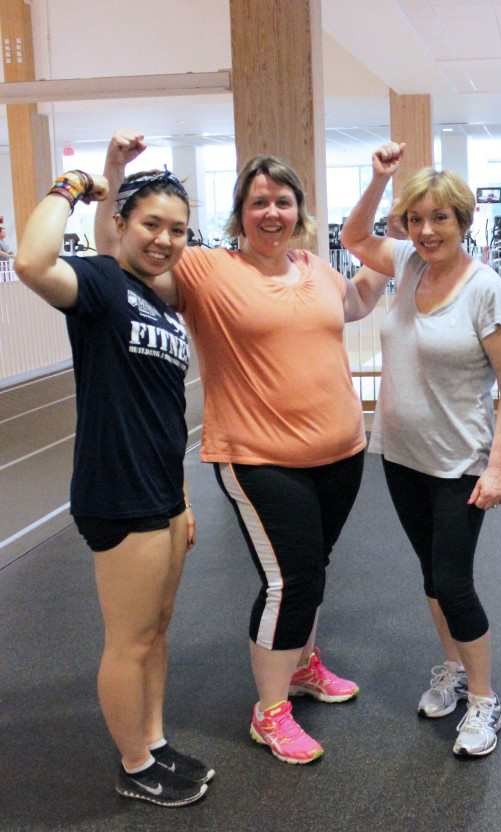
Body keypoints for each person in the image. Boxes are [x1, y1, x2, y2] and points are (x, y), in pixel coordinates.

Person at [97, 132, 390, 765]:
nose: (272, 213)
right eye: (259, 202)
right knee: (290, 581)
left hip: (340, 452)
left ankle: (304, 665)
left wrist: (392, 253)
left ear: (299, 210)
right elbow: (116, 259)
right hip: (258, 456)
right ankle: (270, 713)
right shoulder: (206, 269)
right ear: (241, 212)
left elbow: (359, 301)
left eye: (283, 201)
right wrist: (113, 171)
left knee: (314, 570)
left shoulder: (314, 267)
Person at [15, 167, 211, 806]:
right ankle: (133, 764)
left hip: (160, 490)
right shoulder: (100, 283)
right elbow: (31, 261)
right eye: (152, 224)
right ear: (122, 225)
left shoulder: (156, 300)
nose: (164, 239)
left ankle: (152, 742)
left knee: (156, 628)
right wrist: (70, 185)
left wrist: (182, 499)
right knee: (129, 639)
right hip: (117, 491)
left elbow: (161, 412)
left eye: (177, 229)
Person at [342, 143, 501, 757]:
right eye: (416, 219)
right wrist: (379, 180)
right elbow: (351, 235)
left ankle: (483, 699)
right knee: (430, 575)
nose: (425, 230)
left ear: (463, 221)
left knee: (453, 579)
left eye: (439, 218)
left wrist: (498, 465)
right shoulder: (406, 264)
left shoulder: (486, 289)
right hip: (400, 454)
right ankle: (450, 667)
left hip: (460, 461)